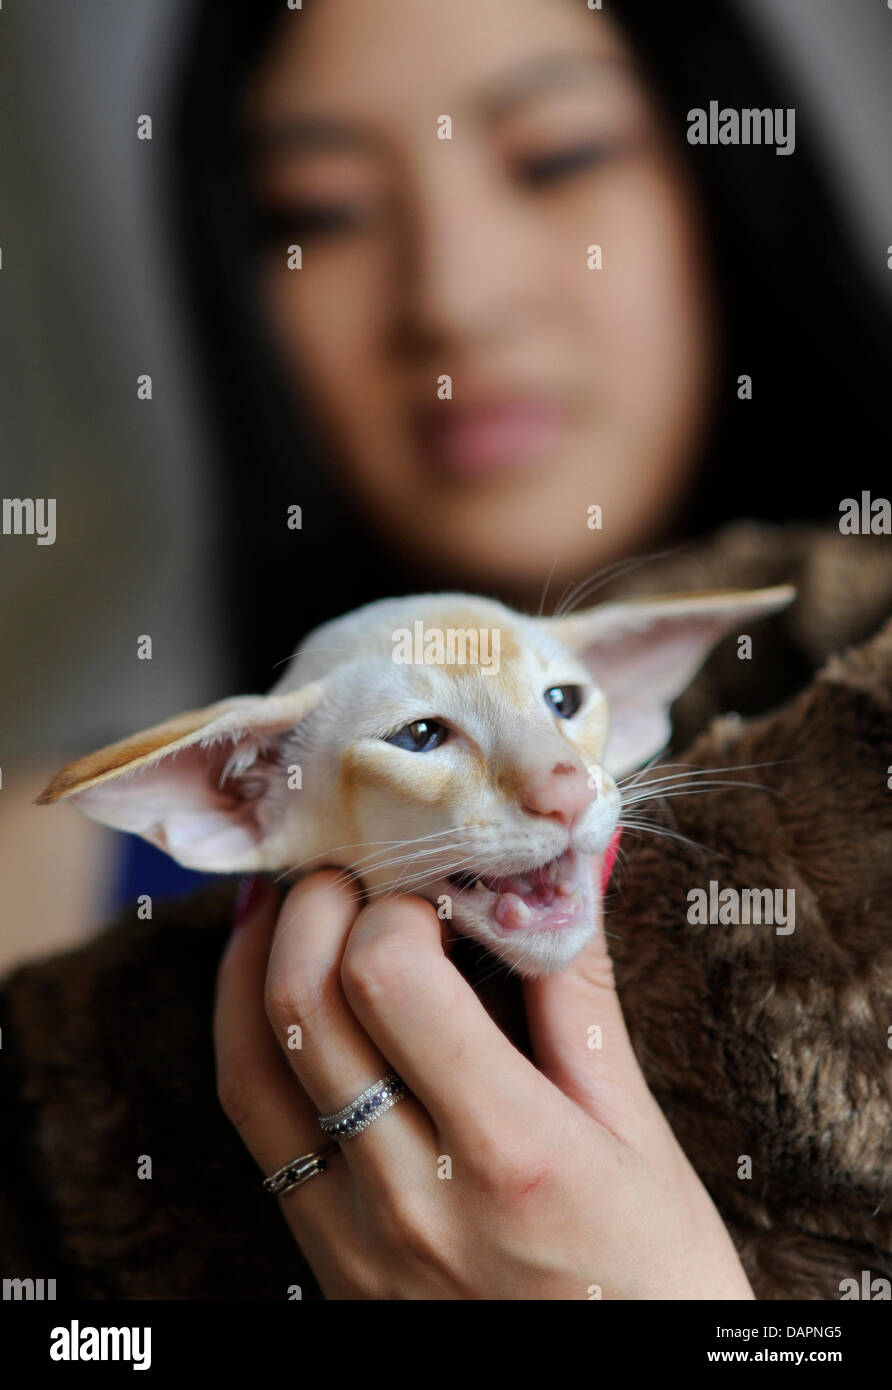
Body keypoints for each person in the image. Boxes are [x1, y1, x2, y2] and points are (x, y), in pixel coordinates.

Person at [1, 0, 889, 1300]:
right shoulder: (41, 900)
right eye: (322, 210)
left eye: (556, 156)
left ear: (723, 176)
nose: (453, 299)